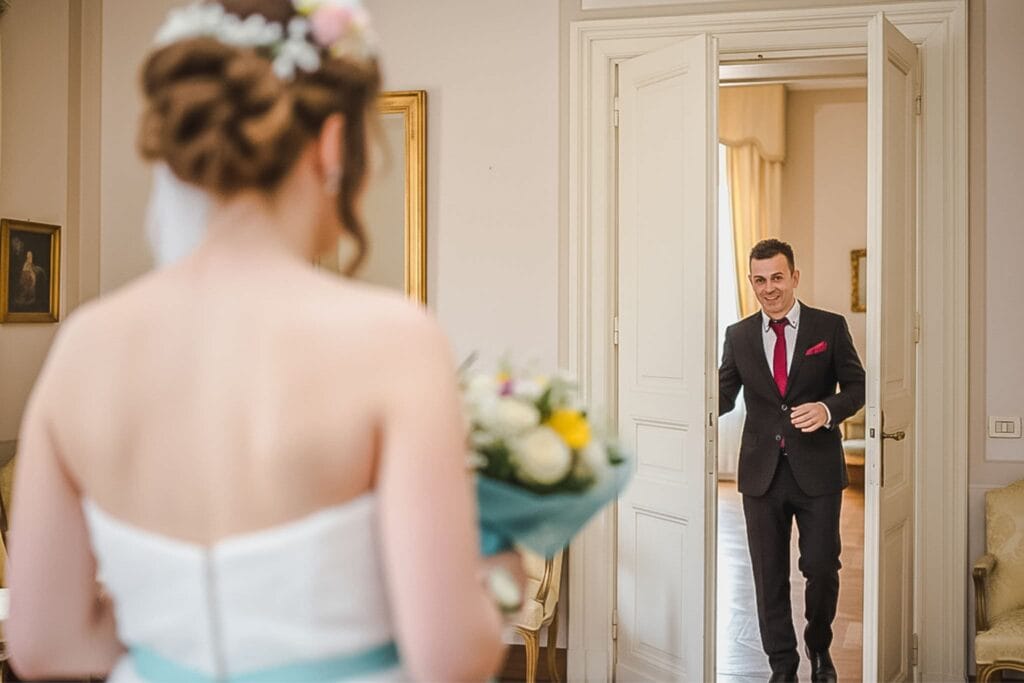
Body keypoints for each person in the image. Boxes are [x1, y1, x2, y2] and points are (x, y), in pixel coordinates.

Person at [5, 1, 521, 681]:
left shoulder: (83, 347)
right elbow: (450, 658)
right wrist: (505, 569)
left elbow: (43, 646)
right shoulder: (394, 342)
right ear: (334, 145)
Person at [719, 238, 865, 683]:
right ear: (751, 282)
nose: (769, 288)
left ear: (794, 277)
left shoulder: (830, 327)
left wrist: (827, 410)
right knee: (768, 575)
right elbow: (722, 397)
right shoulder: (738, 335)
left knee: (821, 566)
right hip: (760, 474)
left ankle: (819, 647)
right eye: (759, 280)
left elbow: (858, 388)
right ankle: (782, 665)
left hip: (817, 470)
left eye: (777, 277)